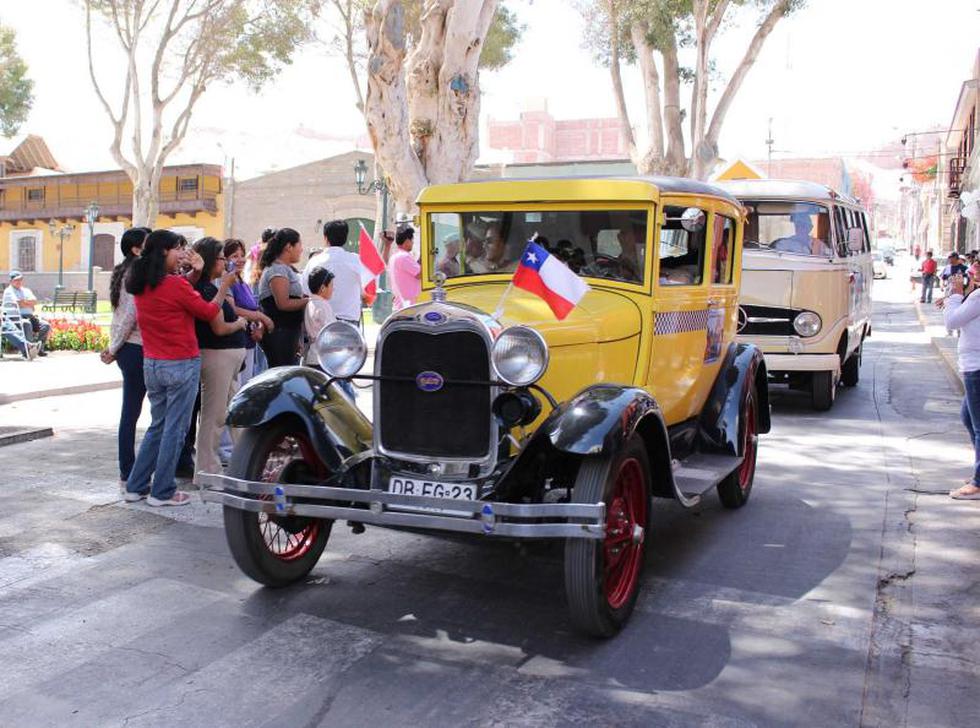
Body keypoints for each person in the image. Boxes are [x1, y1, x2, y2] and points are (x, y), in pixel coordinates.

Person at [124, 230, 234, 507]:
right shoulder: (174, 285)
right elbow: (208, 312)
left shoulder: (142, 283)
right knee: (175, 429)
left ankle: (136, 486)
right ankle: (162, 491)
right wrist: (223, 287)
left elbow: (176, 292)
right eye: (177, 249)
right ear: (163, 251)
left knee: (158, 426)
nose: (181, 255)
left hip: (153, 363)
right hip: (180, 363)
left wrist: (193, 275)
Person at [191, 237, 249, 485]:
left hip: (229, 358)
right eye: (222, 258)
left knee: (236, 412)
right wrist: (240, 323)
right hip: (216, 356)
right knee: (214, 416)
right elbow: (219, 327)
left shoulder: (214, 288)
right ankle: (207, 470)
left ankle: (248, 460)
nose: (225, 263)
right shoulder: (205, 289)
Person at [100, 226, 152, 489]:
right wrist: (114, 347)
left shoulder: (129, 271)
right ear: (136, 249)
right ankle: (129, 470)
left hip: (131, 348)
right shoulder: (134, 273)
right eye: (148, 242)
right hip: (135, 349)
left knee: (132, 412)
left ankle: (131, 469)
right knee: (132, 412)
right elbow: (129, 316)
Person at [942, 273, 980, 500]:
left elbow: (951, 322)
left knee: (978, 427)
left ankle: (978, 483)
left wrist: (955, 296)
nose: (973, 268)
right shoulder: (974, 297)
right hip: (973, 367)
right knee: (968, 418)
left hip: (976, 368)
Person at [303, 265, 357, 400]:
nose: (333, 289)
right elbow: (331, 333)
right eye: (331, 286)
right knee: (344, 397)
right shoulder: (323, 306)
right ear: (322, 288)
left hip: (312, 357)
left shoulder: (309, 304)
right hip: (324, 359)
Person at [258, 227, 309, 367]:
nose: (301, 249)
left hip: (287, 333)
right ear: (288, 247)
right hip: (280, 333)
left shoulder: (285, 269)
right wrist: (310, 301)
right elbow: (283, 303)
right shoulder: (277, 269)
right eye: (300, 245)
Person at [303, 220, 365, 327]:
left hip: (321, 320)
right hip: (349, 321)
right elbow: (367, 288)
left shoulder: (314, 261)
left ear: (325, 238)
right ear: (345, 238)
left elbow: (305, 290)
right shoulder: (356, 260)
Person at [3, 272, 50, 355]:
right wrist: (28, 303)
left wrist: (24, 303)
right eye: (16, 280)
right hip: (15, 318)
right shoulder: (9, 291)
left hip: (30, 316)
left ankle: (39, 350)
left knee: (45, 325)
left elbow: (34, 301)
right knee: (26, 323)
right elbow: (18, 303)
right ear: (11, 281)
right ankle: (28, 350)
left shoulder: (26, 290)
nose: (19, 282)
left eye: (20, 279)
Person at [388, 226, 421, 309]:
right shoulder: (404, 257)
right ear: (407, 241)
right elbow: (419, 274)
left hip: (401, 305)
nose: (413, 243)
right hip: (407, 307)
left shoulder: (395, 256)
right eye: (412, 240)